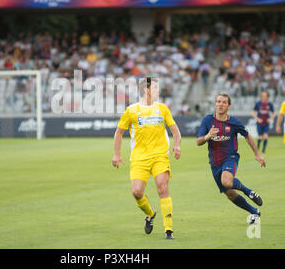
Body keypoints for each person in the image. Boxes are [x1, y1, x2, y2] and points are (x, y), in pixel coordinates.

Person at [113, 77, 182, 239]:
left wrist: (177, 145)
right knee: (136, 192)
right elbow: (119, 132)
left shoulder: (163, 109)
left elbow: (175, 131)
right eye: (156, 88)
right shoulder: (131, 110)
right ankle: (150, 214)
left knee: (163, 188)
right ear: (147, 90)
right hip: (139, 157)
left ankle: (168, 230)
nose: (159, 91)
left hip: (160, 155)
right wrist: (117, 154)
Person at [197, 93, 266, 225]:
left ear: (229, 106)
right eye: (218, 102)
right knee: (230, 194)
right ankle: (254, 212)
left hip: (230, 157)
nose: (220, 104)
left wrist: (257, 154)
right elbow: (199, 141)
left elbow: (247, 136)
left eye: (223, 102)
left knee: (227, 182)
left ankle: (249, 192)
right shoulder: (207, 120)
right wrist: (208, 136)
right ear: (215, 104)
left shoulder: (234, 122)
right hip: (214, 163)